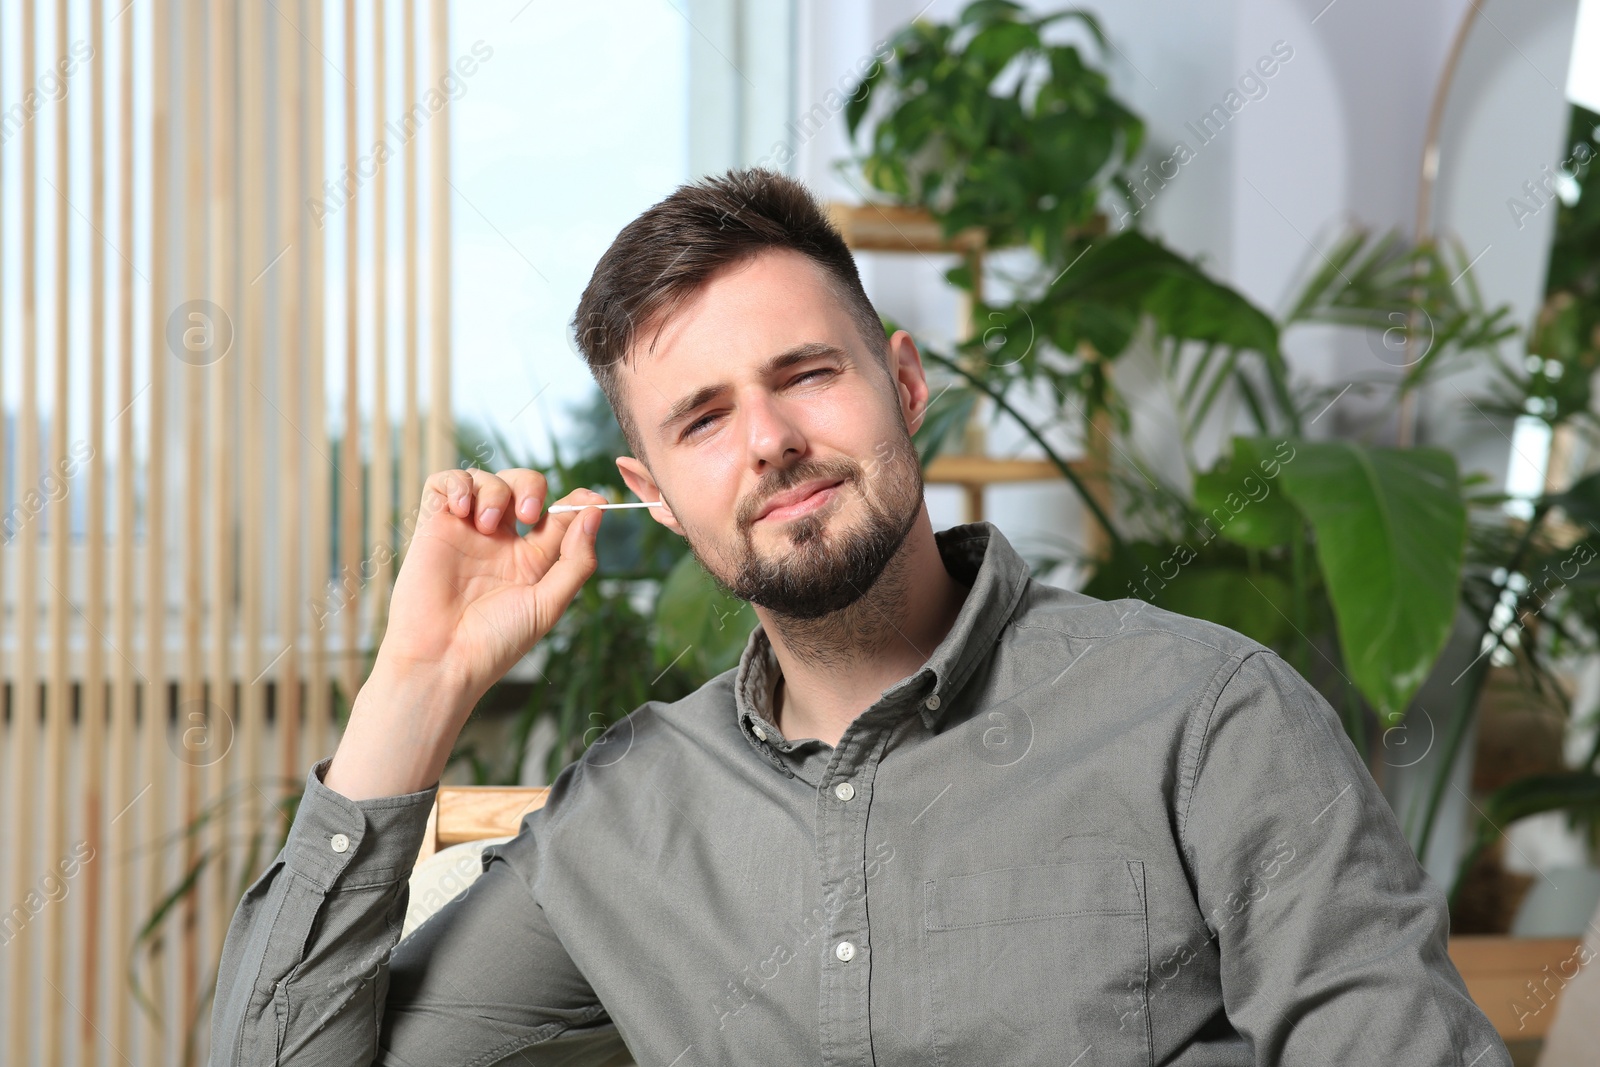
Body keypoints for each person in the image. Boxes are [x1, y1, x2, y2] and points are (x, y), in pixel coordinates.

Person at [210, 168, 1509, 1066]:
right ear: (659, 497)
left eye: (806, 375)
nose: (770, 440)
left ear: (902, 383)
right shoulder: (621, 825)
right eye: (705, 419)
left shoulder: (1205, 717)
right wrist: (419, 684)